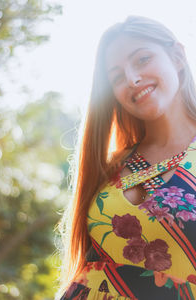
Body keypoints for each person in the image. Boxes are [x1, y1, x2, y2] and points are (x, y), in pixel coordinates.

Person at [56, 16, 196, 300]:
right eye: (117, 77)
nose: (132, 79)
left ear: (178, 56)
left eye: (142, 59)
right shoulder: (110, 168)